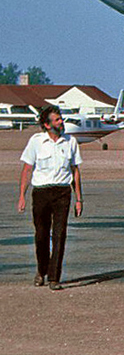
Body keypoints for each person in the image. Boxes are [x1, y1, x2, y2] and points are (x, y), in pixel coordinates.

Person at [17, 105, 83, 290]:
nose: (61, 122)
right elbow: (27, 169)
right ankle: (42, 270)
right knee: (41, 235)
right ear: (47, 125)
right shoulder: (36, 142)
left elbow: (75, 171)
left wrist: (79, 199)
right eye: (57, 120)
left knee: (60, 234)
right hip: (41, 193)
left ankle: (54, 277)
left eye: (61, 118)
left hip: (62, 192)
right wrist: (22, 195)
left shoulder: (71, 142)